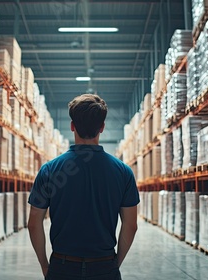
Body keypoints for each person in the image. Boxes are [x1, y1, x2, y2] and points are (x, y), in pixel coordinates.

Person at [28, 94, 139, 280]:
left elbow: (33, 223)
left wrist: (45, 265)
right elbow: (131, 225)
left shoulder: (49, 170)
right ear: (102, 128)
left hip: (62, 267)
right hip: (104, 265)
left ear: (72, 126)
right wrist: (114, 264)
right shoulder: (123, 172)